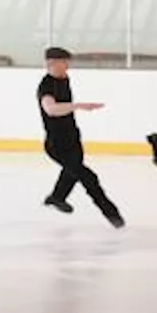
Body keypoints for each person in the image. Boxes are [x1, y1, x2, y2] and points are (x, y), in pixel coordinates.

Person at [37, 46, 125, 228]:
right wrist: (78, 106)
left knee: (73, 171)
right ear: (52, 63)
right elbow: (50, 109)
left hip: (72, 139)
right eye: (65, 62)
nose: (68, 66)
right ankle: (114, 217)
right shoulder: (46, 86)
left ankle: (56, 197)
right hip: (57, 145)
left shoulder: (64, 79)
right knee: (88, 177)